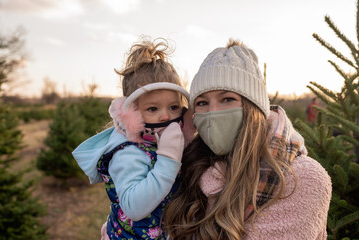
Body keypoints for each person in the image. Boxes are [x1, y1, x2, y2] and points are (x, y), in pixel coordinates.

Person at [164, 39, 332, 240]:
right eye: (202, 103)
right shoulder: (189, 165)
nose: (213, 112)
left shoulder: (302, 178)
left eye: (227, 99)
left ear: (253, 107)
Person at [72, 38, 194, 240]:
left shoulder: (157, 141)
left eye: (173, 107)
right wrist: (169, 161)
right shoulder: (128, 153)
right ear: (133, 113)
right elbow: (134, 208)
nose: (166, 116)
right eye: (153, 108)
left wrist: (187, 135)